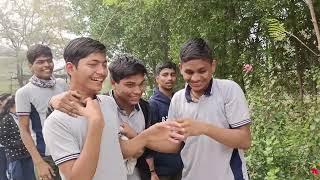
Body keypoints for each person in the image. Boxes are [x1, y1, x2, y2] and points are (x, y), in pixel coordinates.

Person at [43, 37, 184, 180]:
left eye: (104, 65)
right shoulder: (56, 122)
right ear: (71, 68)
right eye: (93, 64)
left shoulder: (108, 103)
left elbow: (117, 149)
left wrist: (146, 136)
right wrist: (96, 124)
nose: (102, 71)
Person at [147, 38, 252, 180]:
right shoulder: (178, 99)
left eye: (202, 71)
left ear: (213, 66)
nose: (195, 78)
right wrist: (143, 140)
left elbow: (244, 140)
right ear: (181, 69)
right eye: (189, 72)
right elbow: (175, 145)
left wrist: (204, 128)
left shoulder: (229, 90)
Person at [15, 44, 68, 180]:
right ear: (30, 66)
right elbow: (24, 130)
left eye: (49, 60)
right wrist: (39, 163)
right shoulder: (24, 92)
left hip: (70, 148)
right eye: (40, 62)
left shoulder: (61, 84)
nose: (47, 65)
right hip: (46, 156)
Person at [107, 54, 159, 180]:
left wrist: (136, 137)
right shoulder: (100, 107)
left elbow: (148, 148)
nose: (138, 91)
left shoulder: (147, 108)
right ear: (113, 83)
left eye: (141, 84)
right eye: (130, 85)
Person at [148, 61, 183, 180]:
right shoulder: (152, 105)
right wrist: (152, 172)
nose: (170, 78)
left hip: (181, 166)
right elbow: (148, 139)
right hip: (161, 171)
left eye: (172, 74)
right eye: (165, 74)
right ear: (157, 78)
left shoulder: (180, 101)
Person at [0, 95, 36, 180]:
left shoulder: (23, 118)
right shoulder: (6, 119)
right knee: (17, 176)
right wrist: (22, 143)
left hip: (27, 153)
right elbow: (3, 139)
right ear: (12, 105)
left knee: (30, 176)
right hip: (14, 156)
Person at [0, 93, 11, 180]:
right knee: (2, 171)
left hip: (9, 147)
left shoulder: (10, 113)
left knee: (9, 170)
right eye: (8, 100)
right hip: (2, 147)